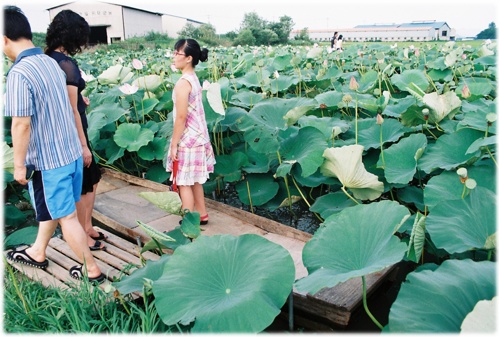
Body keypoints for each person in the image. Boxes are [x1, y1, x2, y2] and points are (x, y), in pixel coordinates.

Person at [3, 5, 104, 284]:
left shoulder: (20, 73)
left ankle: (91, 270)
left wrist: (20, 164)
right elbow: (68, 108)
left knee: (66, 216)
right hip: (70, 154)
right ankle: (37, 251)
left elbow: (21, 124)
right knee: (59, 208)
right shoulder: (52, 63)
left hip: (49, 161)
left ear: (4, 39)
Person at [45, 10, 106, 251]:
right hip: (74, 129)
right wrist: (82, 145)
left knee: (91, 179)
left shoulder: (48, 58)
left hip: (58, 129)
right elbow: (71, 109)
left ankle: (87, 226)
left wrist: (81, 96)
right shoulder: (67, 64)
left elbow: (62, 96)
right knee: (84, 182)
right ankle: (83, 233)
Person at [166, 39, 215, 225]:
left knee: (184, 181)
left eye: (177, 53)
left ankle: (189, 220)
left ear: (188, 58)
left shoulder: (182, 83)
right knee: (195, 180)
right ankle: (201, 215)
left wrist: (174, 143)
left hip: (188, 140)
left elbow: (181, 117)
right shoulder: (193, 78)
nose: (174, 57)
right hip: (199, 137)